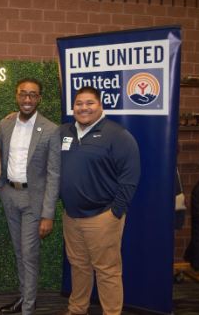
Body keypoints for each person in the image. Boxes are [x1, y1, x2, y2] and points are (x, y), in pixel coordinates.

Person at [59, 86, 141, 315]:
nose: (83, 108)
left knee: (107, 271)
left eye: (89, 103)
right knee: (78, 267)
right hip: (71, 216)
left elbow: (130, 178)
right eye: (79, 103)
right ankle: (77, 309)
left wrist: (115, 212)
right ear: (73, 107)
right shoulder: (64, 132)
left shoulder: (118, 135)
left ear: (100, 105)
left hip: (102, 217)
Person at [0, 78, 60, 314]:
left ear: (39, 99)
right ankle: (24, 298)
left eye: (33, 95)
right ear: (16, 95)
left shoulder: (51, 129)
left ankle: (28, 309)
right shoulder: (6, 124)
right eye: (23, 94)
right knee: (18, 251)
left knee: (29, 254)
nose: (27, 99)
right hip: (9, 195)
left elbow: (54, 174)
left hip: (34, 201)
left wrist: (48, 214)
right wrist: (0, 187)